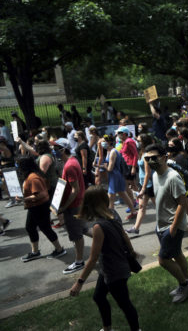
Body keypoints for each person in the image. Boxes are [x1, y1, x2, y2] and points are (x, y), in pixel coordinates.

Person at [70, 186, 140, 331]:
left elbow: (93, 258)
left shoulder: (98, 227)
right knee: (98, 297)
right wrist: (132, 251)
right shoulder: (112, 213)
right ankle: (107, 328)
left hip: (115, 271)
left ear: (90, 204)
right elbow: (124, 234)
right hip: (109, 268)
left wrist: (79, 282)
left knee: (125, 304)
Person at [144, 144, 188, 303]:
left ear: (164, 157)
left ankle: (184, 284)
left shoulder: (173, 177)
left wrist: (173, 227)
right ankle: (187, 283)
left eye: (154, 158)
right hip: (162, 224)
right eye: (147, 158)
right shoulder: (155, 175)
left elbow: (182, 202)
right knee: (177, 254)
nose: (150, 161)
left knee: (163, 260)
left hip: (171, 225)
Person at [17, 157, 66, 262]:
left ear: (24, 166)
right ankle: (35, 252)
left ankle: (59, 249)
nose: (18, 169)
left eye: (19, 166)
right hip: (34, 207)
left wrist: (23, 199)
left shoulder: (33, 177)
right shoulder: (31, 176)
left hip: (39, 207)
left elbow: (41, 194)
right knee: (30, 227)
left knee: (46, 228)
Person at [51, 138, 87, 274]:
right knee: (83, 229)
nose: (54, 151)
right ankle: (106, 240)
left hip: (73, 205)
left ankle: (79, 261)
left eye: (56, 149)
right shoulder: (72, 161)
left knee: (76, 235)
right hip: (77, 203)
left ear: (63, 149)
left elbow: (75, 190)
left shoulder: (69, 166)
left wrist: (64, 207)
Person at [100, 135, 137, 220]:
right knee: (122, 194)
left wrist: (105, 166)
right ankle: (133, 212)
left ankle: (111, 216)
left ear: (109, 142)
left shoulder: (113, 152)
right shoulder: (109, 151)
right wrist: (99, 165)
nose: (102, 143)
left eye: (104, 141)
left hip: (115, 176)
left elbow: (110, 168)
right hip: (114, 176)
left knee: (111, 197)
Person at [126, 134, 156, 234]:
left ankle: (172, 223)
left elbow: (148, 173)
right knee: (141, 207)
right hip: (143, 183)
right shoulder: (141, 153)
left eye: (138, 141)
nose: (136, 142)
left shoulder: (147, 155)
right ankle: (136, 228)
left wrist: (143, 188)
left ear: (144, 142)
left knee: (159, 206)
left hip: (149, 185)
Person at [116, 126, 139, 211]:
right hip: (126, 165)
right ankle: (135, 201)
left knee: (131, 184)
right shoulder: (124, 142)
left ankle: (137, 201)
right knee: (130, 184)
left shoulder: (129, 141)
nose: (118, 135)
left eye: (119, 133)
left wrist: (133, 167)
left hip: (130, 165)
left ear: (124, 134)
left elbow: (135, 154)